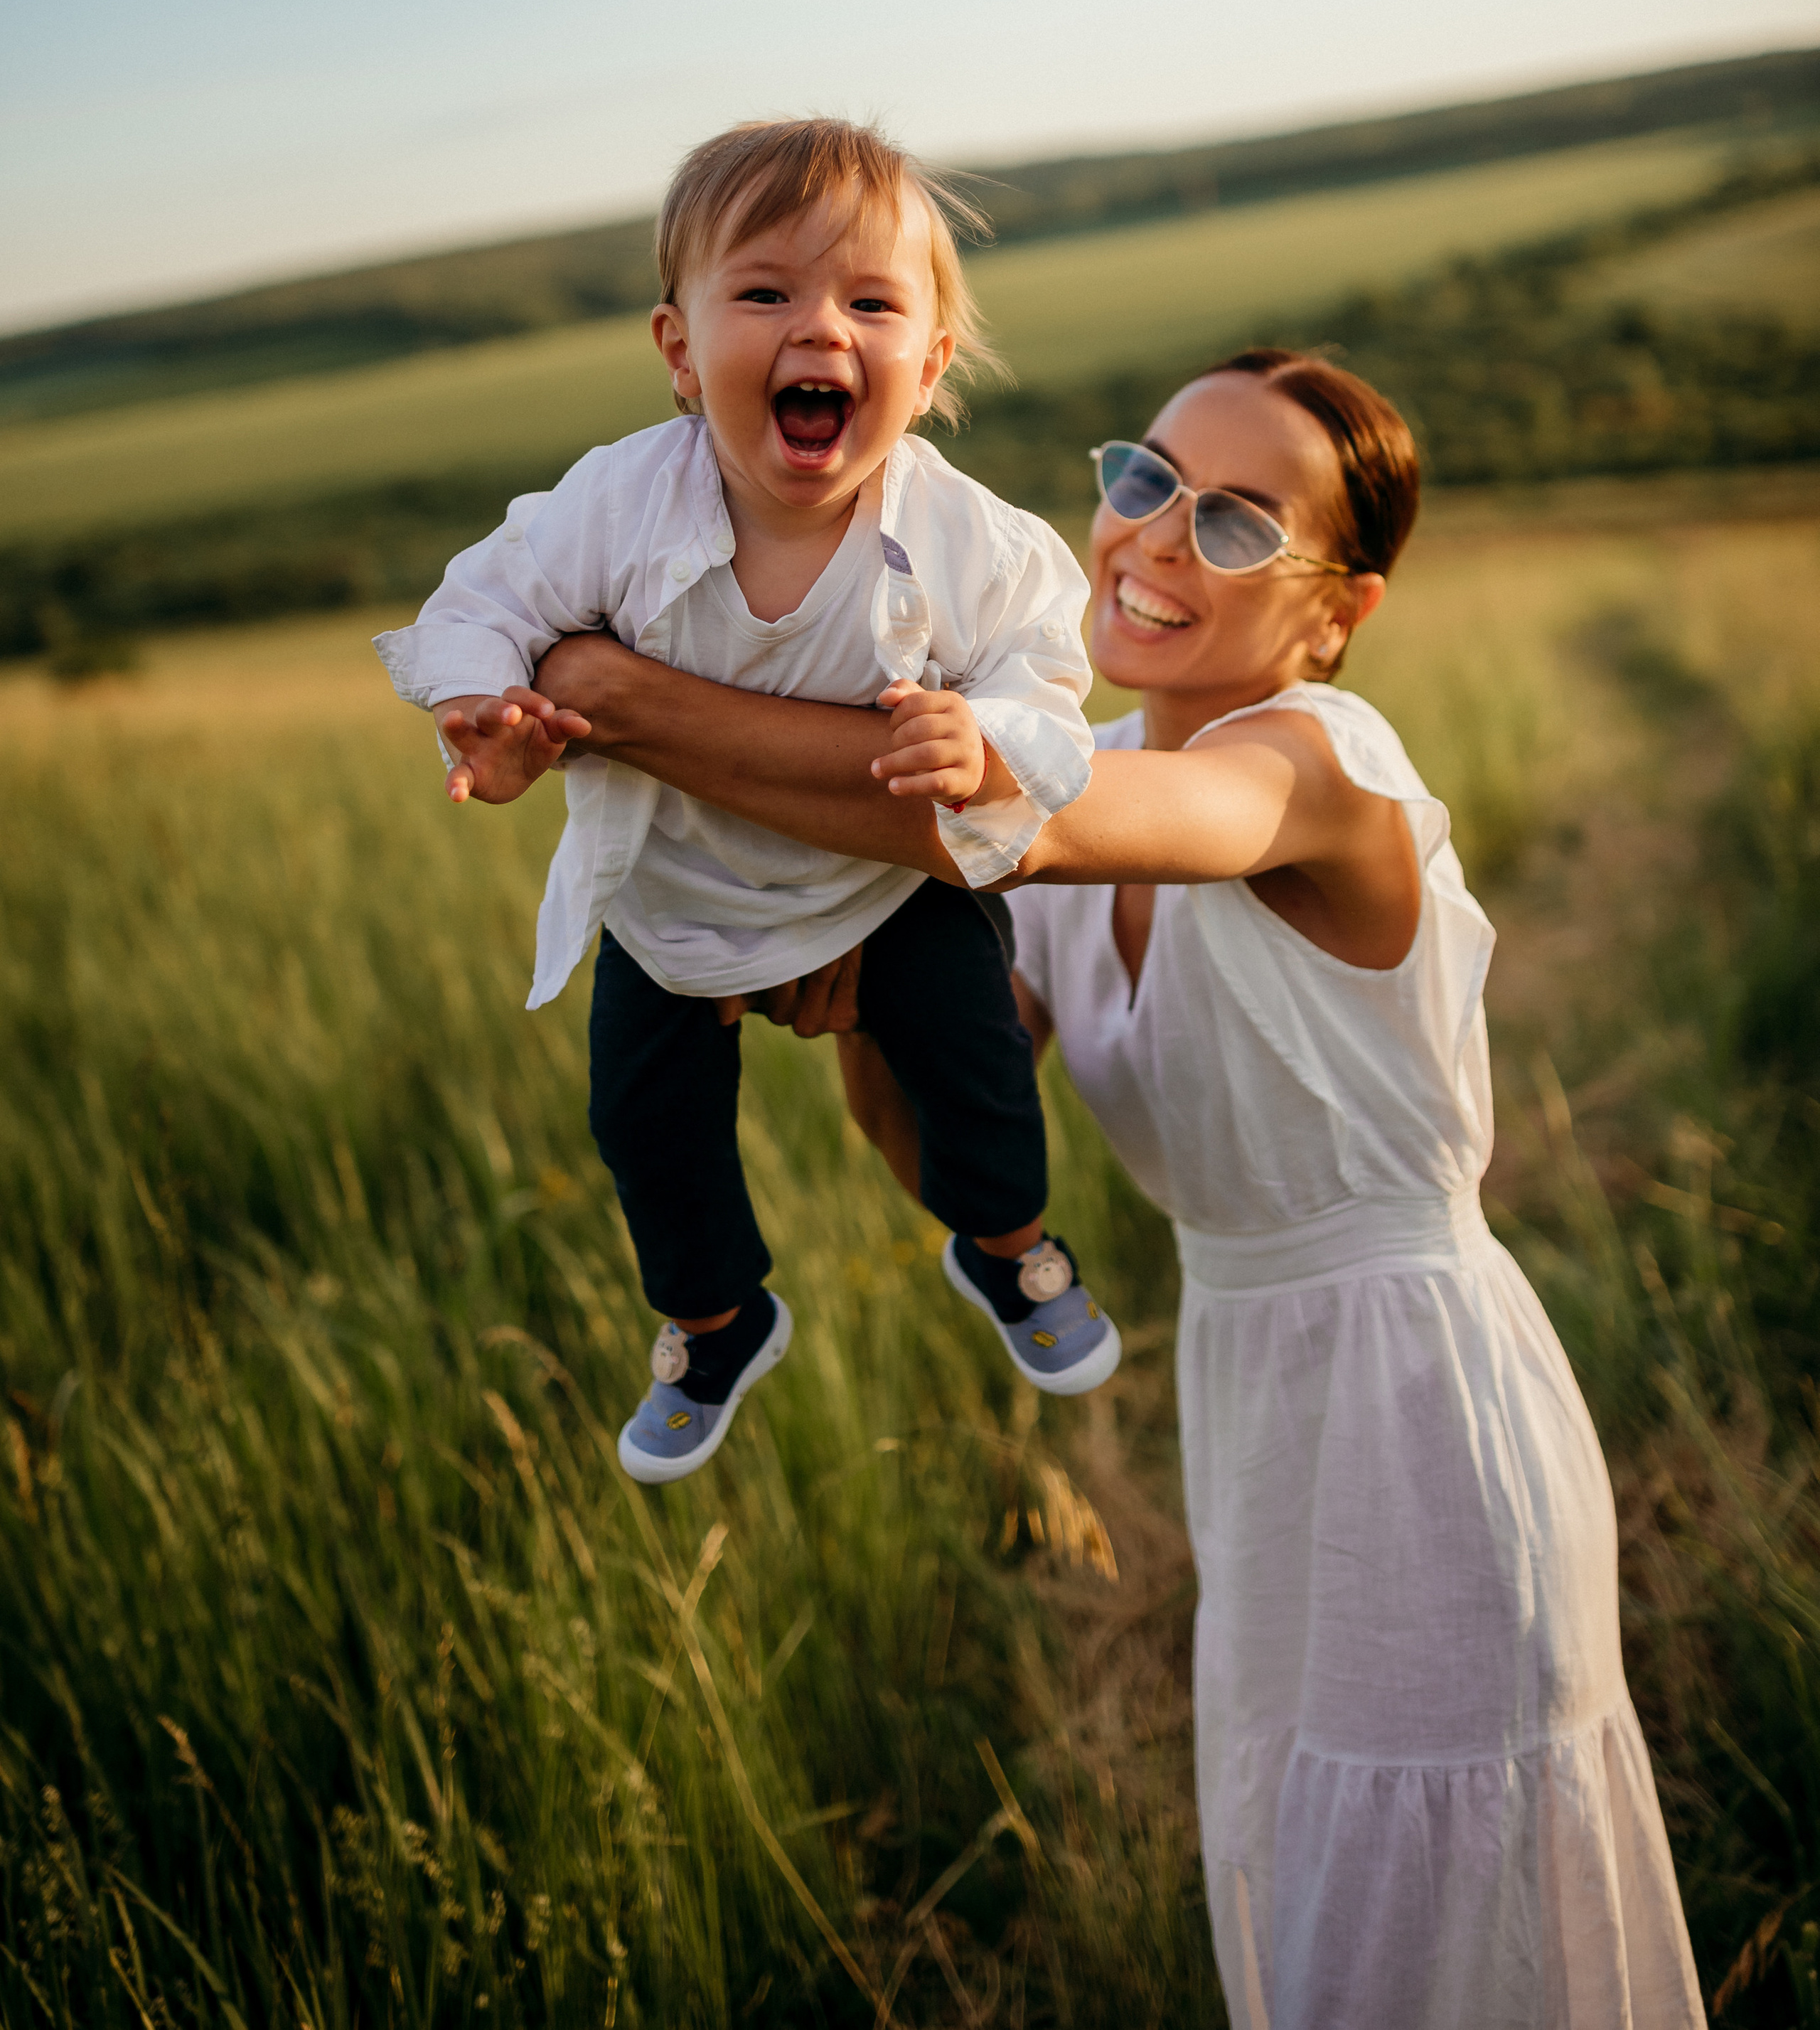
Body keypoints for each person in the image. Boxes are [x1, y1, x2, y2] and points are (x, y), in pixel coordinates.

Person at [531, 347, 1703, 2029]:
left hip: (1419, 1394)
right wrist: (857, 990)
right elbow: (944, 1144)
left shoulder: (1313, 767)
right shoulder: (1061, 797)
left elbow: (1001, 822)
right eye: (1143, 480)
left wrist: (627, 698)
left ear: (1336, 608)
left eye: (1234, 523)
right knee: (1306, 1874)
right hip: (1248, 1396)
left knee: (1453, 1888)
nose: (1151, 541)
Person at [374, 117, 1120, 1487]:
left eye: (872, 302)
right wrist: (484, 711)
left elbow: (1048, 674)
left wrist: (989, 734)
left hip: (882, 884)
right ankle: (715, 1320)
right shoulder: (618, 502)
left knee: (977, 1057)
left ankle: (1010, 1244)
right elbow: (487, 599)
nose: (818, 329)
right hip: (674, 894)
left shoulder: (968, 539)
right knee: (642, 1118)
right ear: (678, 346)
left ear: (933, 362)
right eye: (766, 292)